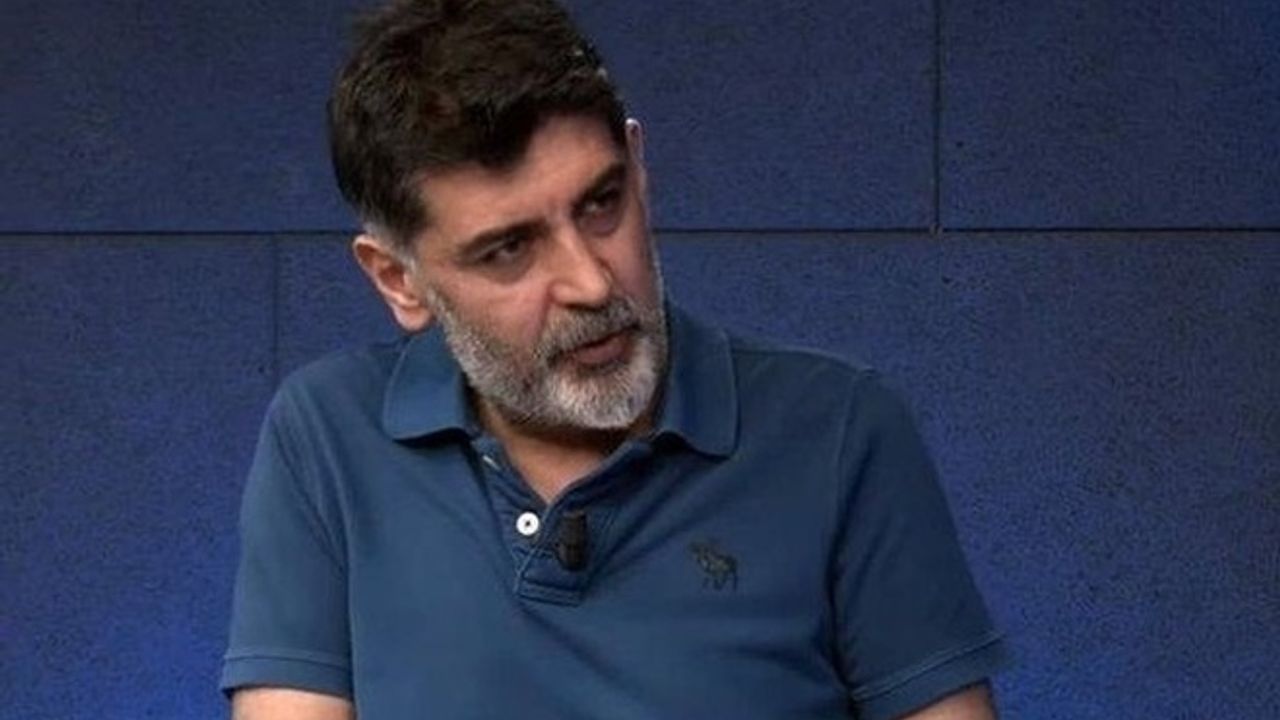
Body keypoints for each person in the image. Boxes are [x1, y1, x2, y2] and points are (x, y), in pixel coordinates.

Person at [220, 0, 1009, 717]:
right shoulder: (327, 435)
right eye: (509, 249)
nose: (592, 283)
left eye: (602, 203)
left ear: (638, 164)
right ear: (400, 280)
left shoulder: (839, 430)